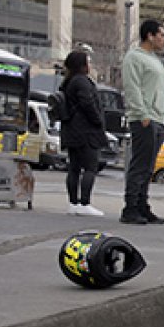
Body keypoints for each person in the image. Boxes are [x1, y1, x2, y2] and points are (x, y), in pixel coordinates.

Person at [120, 19, 164, 225]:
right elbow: (132, 87)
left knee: (149, 166)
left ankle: (142, 205)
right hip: (144, 118)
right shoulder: (134, 58)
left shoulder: (154, 60)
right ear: (149, 35)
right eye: (162, 35)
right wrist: (142, 114)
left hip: (157, 118)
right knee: (139, 164)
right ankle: (130, 207)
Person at [59, 50, 107, 217]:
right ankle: (84, 202)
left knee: (74, 168)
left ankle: (73, 203)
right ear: (82, 65)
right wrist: (98, 120)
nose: (90, 64)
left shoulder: (68, 82)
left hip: (71, 131)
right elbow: (87, 103)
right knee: (90, 167)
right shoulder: (82, 82)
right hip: (85, 132)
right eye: (88, 62)